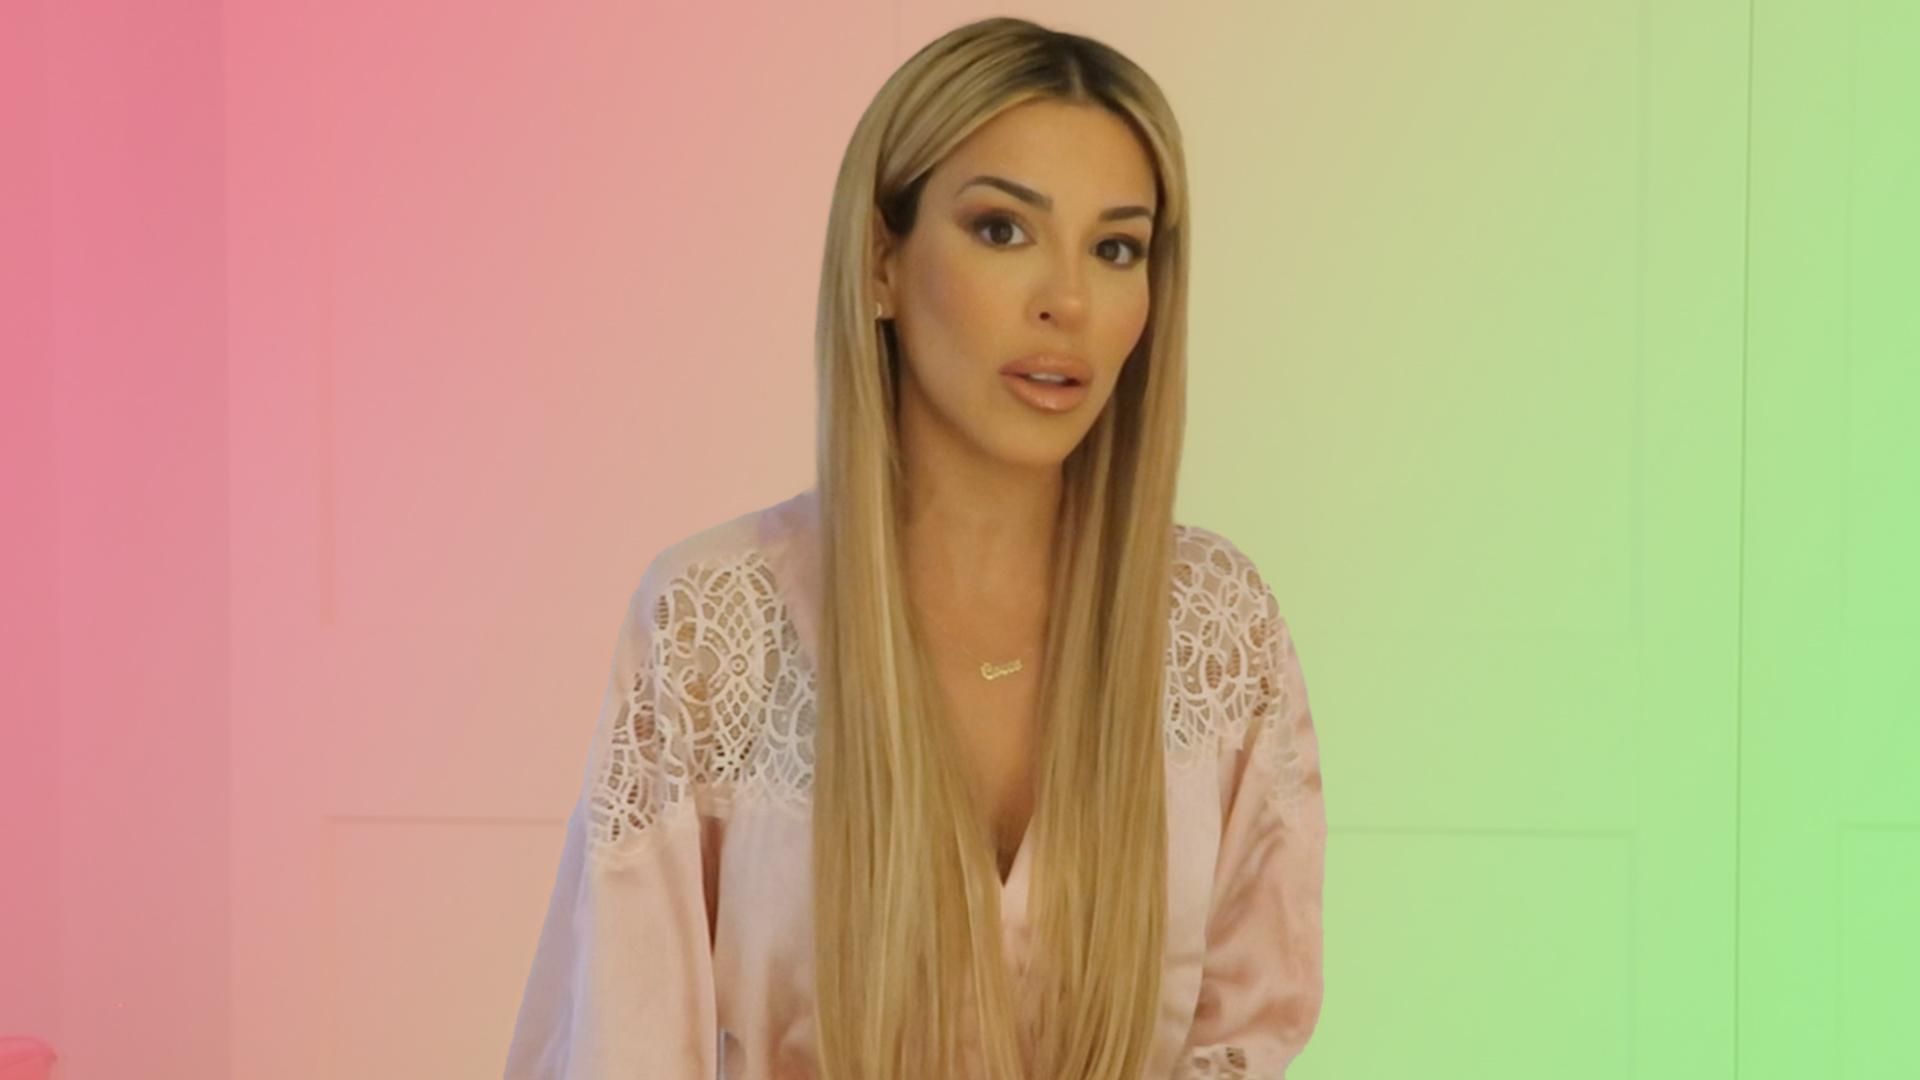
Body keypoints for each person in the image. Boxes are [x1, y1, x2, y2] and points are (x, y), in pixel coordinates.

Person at [502, 15, 1325, 1080]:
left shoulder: (1216, 627)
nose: (1067, 301)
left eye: (1116, 247)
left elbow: (1247, 1036)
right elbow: (624, 1043)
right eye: (1003, 230)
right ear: (882, 262)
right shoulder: (713, 625)